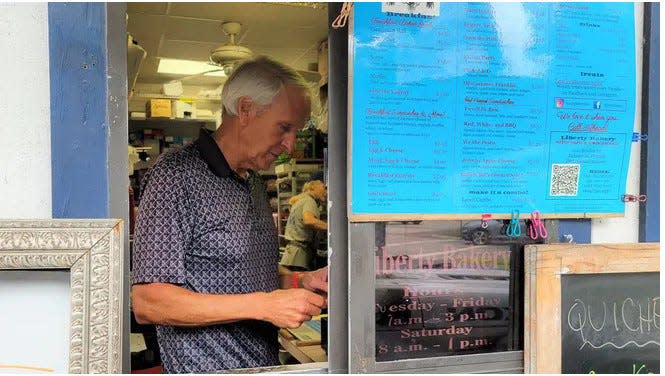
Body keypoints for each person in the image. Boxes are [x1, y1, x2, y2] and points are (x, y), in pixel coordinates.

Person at [131, 56, 328, 374]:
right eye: (284, 127)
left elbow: (245, 274)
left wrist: (299, 281)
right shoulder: (175, 175)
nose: (291, 145)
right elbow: (149, 301)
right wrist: (265, 305)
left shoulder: (253, 182)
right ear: (247, 110)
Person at [280, 180, 327, 271]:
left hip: (292, 255)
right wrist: (331, 228)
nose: (326, 192)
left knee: (294, 283)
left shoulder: (300, 200)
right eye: (323, 187)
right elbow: (309, 220)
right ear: (312, 187)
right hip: (299, 256)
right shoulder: (309, 201)